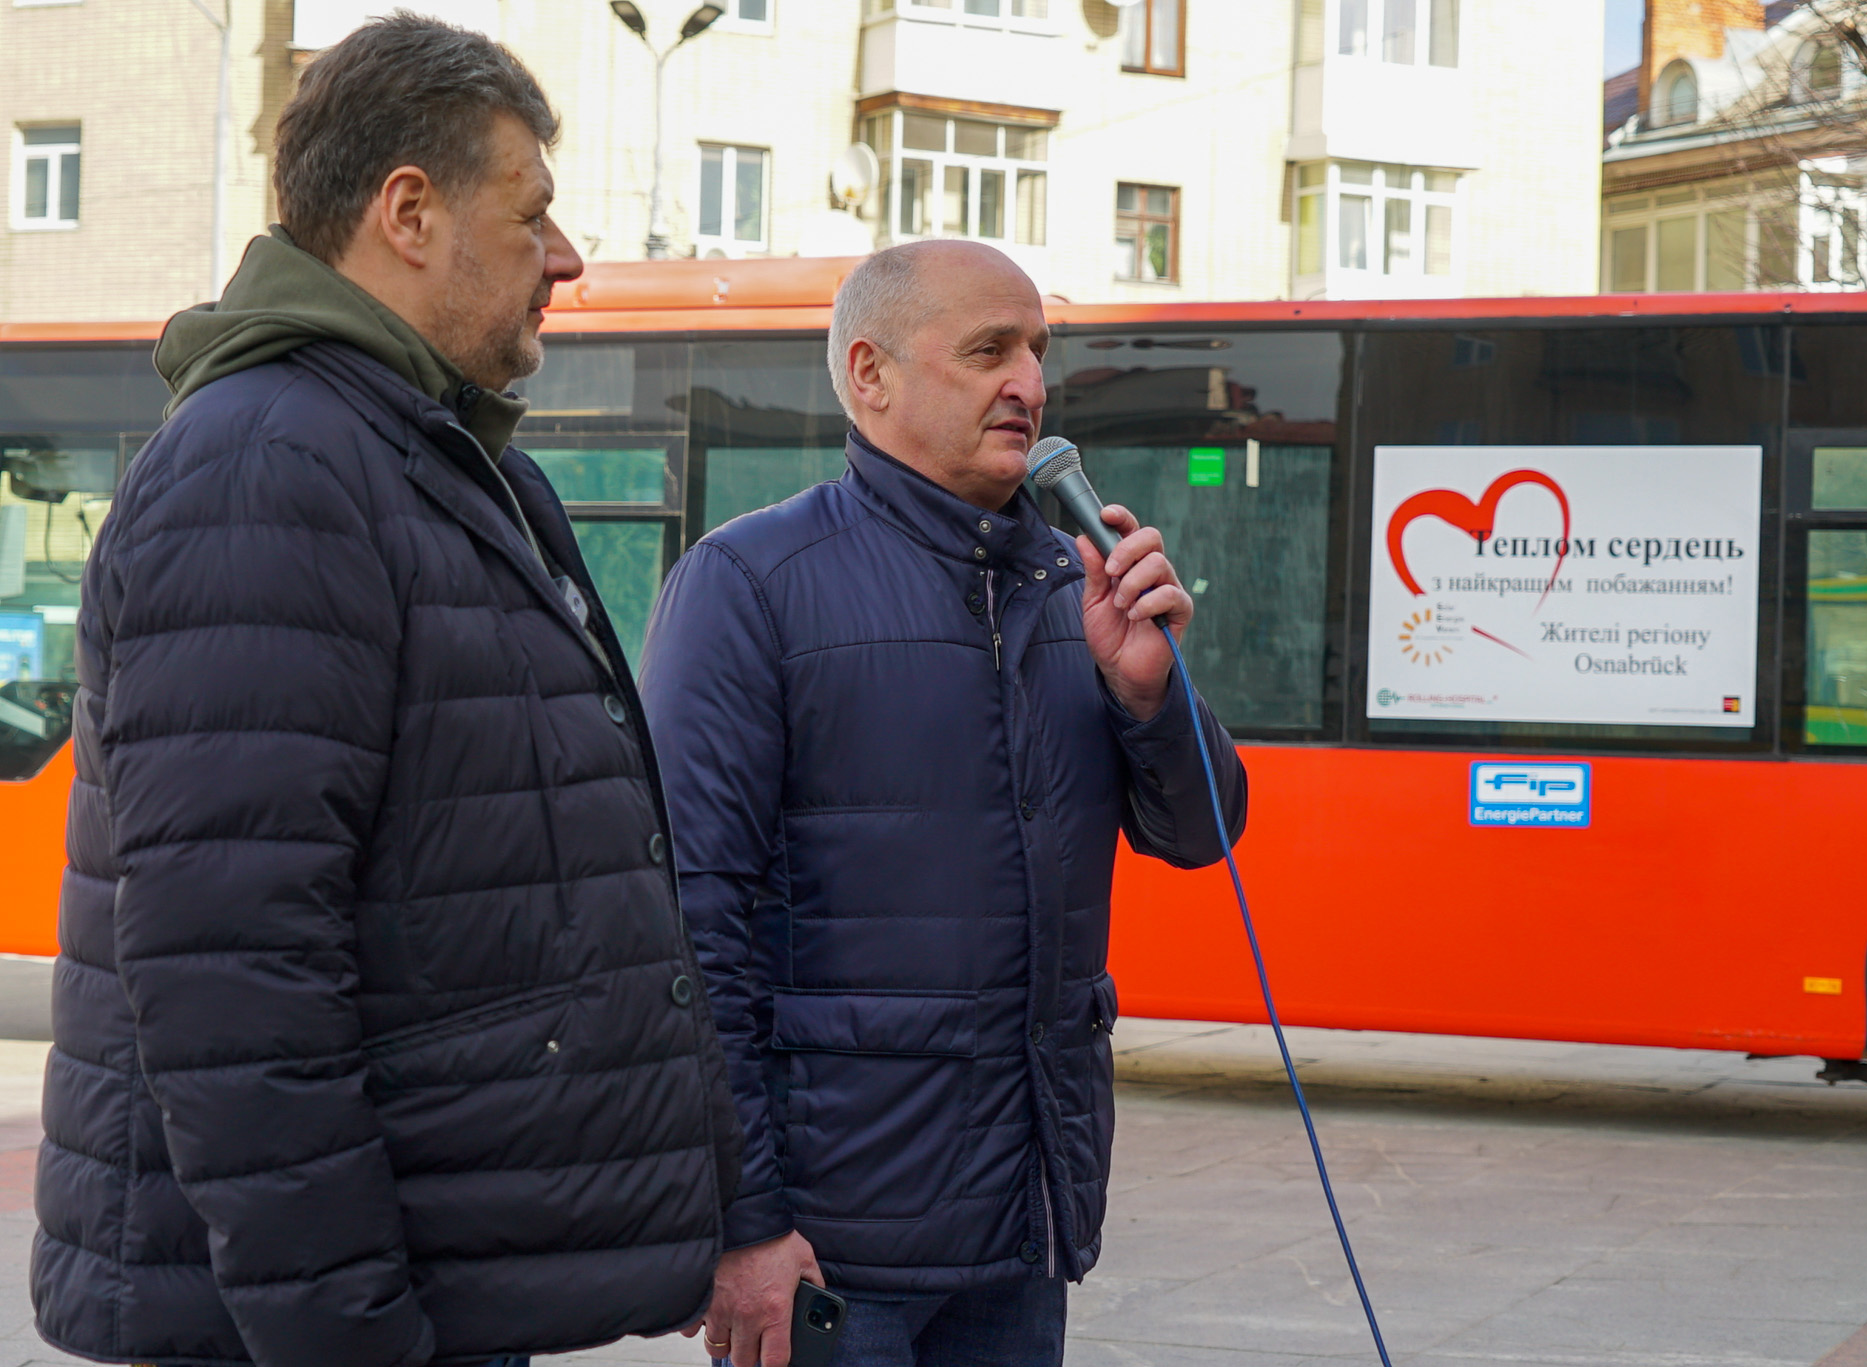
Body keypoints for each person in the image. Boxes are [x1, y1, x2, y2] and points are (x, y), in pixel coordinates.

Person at [31, 16, 739, 1367]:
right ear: (408, 213)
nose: (569, 256)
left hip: (431, 1285)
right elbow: (239, 985)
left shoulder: (435, 462)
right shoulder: (267, 471)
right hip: (300, 1325)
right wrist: (352, 1339)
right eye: (532, 212)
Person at [639, 239, 1250, 1367]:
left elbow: (1199, 830)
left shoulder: (1079, 585)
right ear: (870, 373)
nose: (1026, 382)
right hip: (830, 1254)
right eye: (986, 351)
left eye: (1035, 351)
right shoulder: (750, 585)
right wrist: (744, 1223)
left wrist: (1148, 692)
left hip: (1022, 1232)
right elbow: (685, 929)